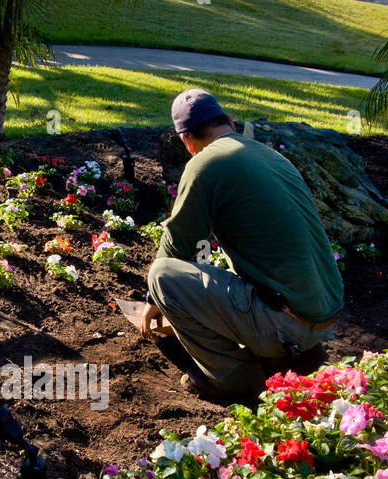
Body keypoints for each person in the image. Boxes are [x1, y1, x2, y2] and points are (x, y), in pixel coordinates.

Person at [140, 88, 344, 402]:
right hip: (322, 316)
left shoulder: (205, 164)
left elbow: (179, 245)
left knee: (162, 275)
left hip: (287, 326)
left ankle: (238, 380)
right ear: (230, 122)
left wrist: (153, 300)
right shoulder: (271, 155)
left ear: (186, 141)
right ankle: (292, 354)